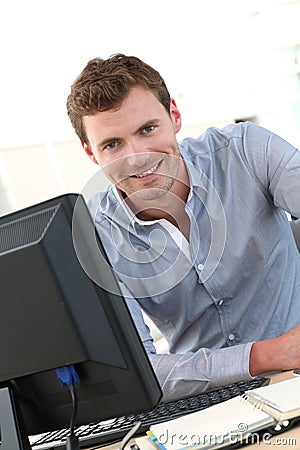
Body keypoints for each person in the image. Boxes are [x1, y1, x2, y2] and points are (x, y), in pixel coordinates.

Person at [66, 53, 300, 401]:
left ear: (173, 115)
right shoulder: (95, 235)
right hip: (204, 402)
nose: (139, 156)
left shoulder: (248, 151)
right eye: (113, 144)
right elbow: (140, 372)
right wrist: (265, 354)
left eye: (147, 129)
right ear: (91, 153)